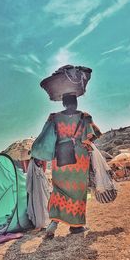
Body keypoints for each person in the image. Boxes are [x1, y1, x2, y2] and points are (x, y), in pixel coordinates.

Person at [32, 93, 101, 239]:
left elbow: (47, 137)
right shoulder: (85, 116)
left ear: (63, 103)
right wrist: (84, 143)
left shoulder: (54, 117)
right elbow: (93, 135)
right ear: (76, 102)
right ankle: (76, 226)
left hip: (61, 157)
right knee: (78, 192)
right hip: (79, 159)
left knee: (59, 190)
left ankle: (53, 223)